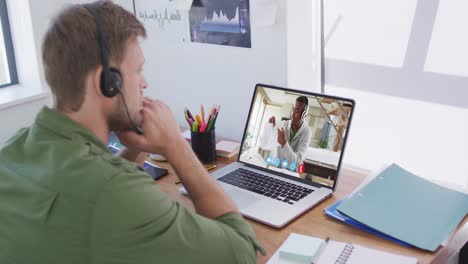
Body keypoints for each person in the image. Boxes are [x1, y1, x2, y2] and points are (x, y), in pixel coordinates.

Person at [0, 1, 263, 263]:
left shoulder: (13, 151)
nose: (145, 83)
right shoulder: (115, 194)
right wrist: (175, 146)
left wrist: (137, 147)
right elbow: (243, 251)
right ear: (107, 82)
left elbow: (90, 187)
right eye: (138, 70)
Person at [268, 96, 312, 166]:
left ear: (303, 115)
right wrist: (270, 126)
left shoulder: (307, 132)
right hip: (277, 168)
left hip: (290, 172)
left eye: (296, 111)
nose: (292, 115)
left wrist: (284, 144)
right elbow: (269, 141)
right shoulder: (284, 124)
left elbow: (298, 162)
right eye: (293, 110)